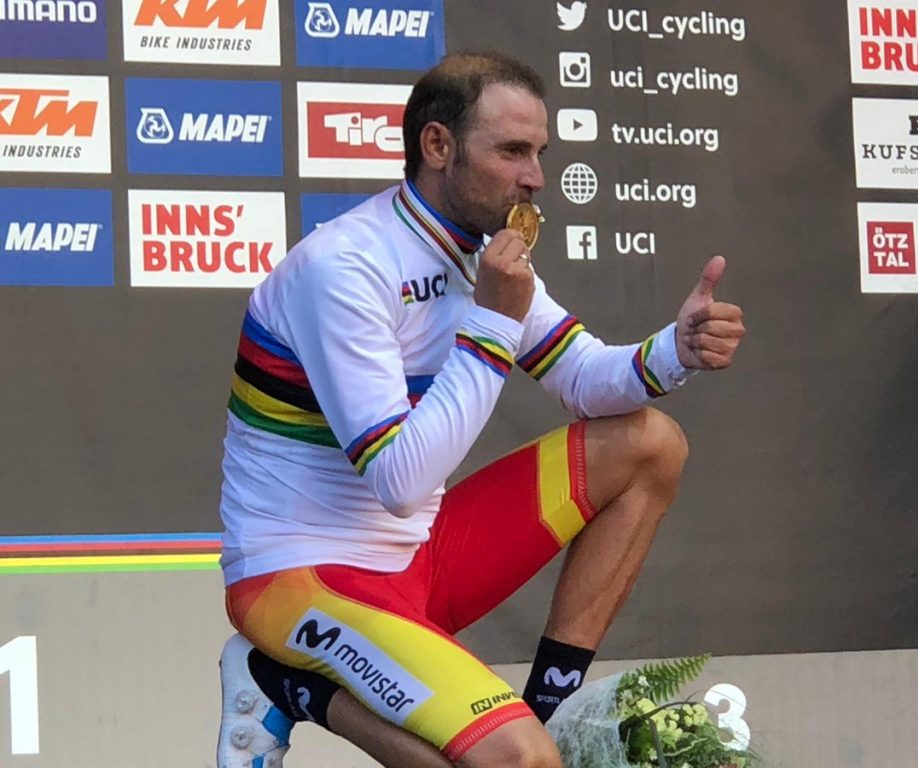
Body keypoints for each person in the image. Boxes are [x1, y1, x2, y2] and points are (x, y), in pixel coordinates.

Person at [215, 50, 745, 768]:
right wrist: (493, 322)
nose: (536, 177)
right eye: (512, 151)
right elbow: (400, 482)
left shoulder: (477, 256)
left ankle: (555, 712)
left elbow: (585, 376)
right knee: (515, 761)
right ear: (438, 146)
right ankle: (281, 681)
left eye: (540, 153)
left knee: (651, 443)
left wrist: (673, 351)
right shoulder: (344, 267)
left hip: (421, 561)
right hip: (300, 578)